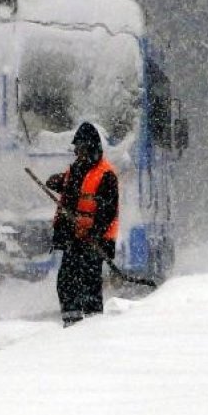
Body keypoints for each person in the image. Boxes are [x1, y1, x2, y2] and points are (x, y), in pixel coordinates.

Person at [45, 121, 119, 327]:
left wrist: (92, 230)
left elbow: (108, 210)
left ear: (92, 148)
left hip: (95, 241)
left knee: (89, 283)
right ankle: (73, 323)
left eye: (81, 148)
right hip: (74, 239)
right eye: (76, 149)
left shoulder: (106, 175)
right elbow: (73, 192)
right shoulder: (77, 169)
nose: (78, 153)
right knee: (67, 283)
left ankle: (92, 326)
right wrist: (58, 182)